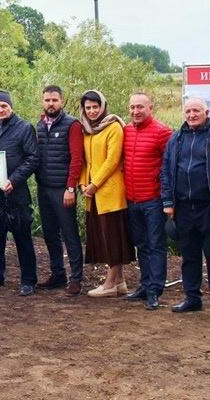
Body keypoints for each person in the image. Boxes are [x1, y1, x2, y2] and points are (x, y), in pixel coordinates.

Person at [160, 98, 210, 320]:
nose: (192, 115)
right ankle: (192, 297)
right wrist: (168, 202)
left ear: (206, 112)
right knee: (189, 256)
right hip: (183, 207)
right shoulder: (176, 140)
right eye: (188, 111)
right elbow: (165, 171)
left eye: (196, 111)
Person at [0, 90, 40, 296]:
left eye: (4, 106)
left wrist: (14, 179)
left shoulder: (24, 128)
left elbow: (33, 158)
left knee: (22, 238)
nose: (0, 110)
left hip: (16, 194)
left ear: (10, 107)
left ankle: (28, 281)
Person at [78, 90, 133, 298]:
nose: (92, 111)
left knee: (112, 238)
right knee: (103, 236)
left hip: (110, 192)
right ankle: (120, 282)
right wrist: (83, 183)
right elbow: (85, 161)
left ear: (103, 106)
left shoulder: (113, 127)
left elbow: (112, 160)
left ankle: (109, 283)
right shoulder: (87, 129)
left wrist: (95, 184)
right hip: (92, 194)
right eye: (88, 107)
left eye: (95, 106)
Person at [122, 92, 172, 310]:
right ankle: (144, 285)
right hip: (132, 199)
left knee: (156, 245)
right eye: (132, 107)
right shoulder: (126, 130)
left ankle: (155, 290)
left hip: (153, 199)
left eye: (140, 107)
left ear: (150, 107)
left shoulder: (163, 132)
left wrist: (168, 199)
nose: (135, 111)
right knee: (141, 244)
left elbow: (169, 167)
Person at [34, 85, 84, 297]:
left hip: (63, 189)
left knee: (70, 234)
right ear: (43, 102)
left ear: (61, 101)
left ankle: (76, 278)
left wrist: (70, 187)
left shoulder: (71, 125)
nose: (50, 104)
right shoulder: (40, 125)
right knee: (50, 234)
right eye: (47, 100)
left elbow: (77, 159)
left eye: (54, 100)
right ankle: (58, 274)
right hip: (44, 187)